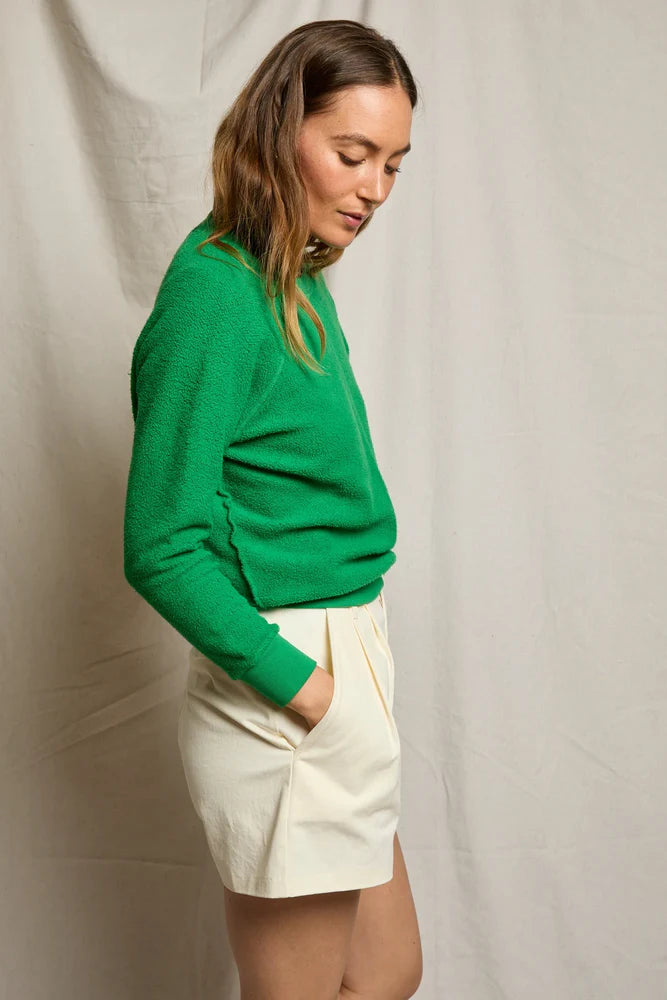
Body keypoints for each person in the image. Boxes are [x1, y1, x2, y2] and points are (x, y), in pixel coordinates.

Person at [123, 18, 423, 1000]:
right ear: (278, 131)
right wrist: (308, 692)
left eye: (392, 163)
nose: (374, 189)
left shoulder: (291, 274)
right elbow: (161, 544)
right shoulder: (216, 294)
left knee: (384, 973)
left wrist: (348, 691)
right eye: (352, 153)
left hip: (344, 658)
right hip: (290, 684)